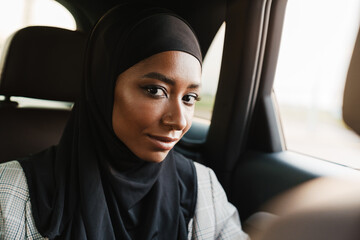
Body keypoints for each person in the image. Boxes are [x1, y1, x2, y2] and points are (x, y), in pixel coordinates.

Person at [0, 4, 249, 240]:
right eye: (155, 90)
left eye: (190, 97)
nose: (179, 121)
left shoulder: (203, 189)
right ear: (103, 87)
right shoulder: (11, 192)